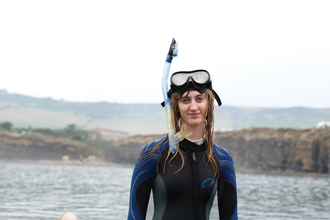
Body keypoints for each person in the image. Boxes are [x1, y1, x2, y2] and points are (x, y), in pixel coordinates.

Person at [127, 70, 238, 220]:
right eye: (185, 100)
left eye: (199, 99)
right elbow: (134, 216)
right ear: (176, 106)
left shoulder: (222, 158)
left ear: (208, 103)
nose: (193, 107)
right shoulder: (153, 154)